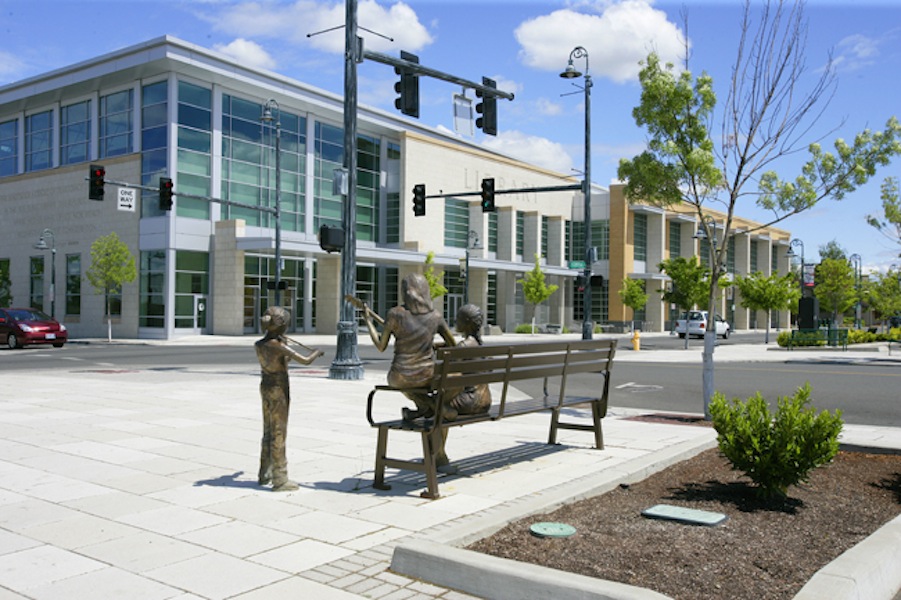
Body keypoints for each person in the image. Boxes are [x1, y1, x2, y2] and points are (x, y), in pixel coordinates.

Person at [361, 272, 457, 421]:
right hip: (428, 375)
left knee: (405, 381)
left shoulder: (395, 314)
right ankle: (432, 407)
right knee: (456, 377)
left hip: (399, 377)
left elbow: (381, 346)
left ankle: (428, 407)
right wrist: (434, 345)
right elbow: (453, 345)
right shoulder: (436, 316)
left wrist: (367, 320)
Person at [254, 306, 323, 492]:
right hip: (279, 389)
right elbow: (305, 360)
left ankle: (264, 472)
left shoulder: (260, 344)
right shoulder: (279, 346)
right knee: (279, 432)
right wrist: (316, 352)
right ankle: (280, 478)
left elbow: (277, 361)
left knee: (268, 429)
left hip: (265, 386)